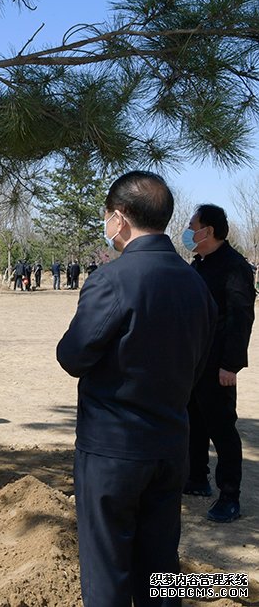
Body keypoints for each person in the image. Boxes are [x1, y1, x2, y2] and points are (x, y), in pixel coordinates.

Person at [57, 171, 216, 607]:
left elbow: (73, 357)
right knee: (161, 568)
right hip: (169, 445)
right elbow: (199, 363)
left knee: (108, 567)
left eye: (107, 216)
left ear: (120, 217)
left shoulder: (111, 280)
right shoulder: (195, 284)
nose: (107, 225)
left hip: (113, 450)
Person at [183, 204, 255, 522]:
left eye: (192, 224)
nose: (188, 230)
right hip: (193, 362)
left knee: (222, 429)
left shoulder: (235, 267)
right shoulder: (199, 264)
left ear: (208, 230)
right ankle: (197, 479)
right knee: (193, 423)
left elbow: (241, 319)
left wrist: (231, 365)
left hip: (218, 366)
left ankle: (229, 496)